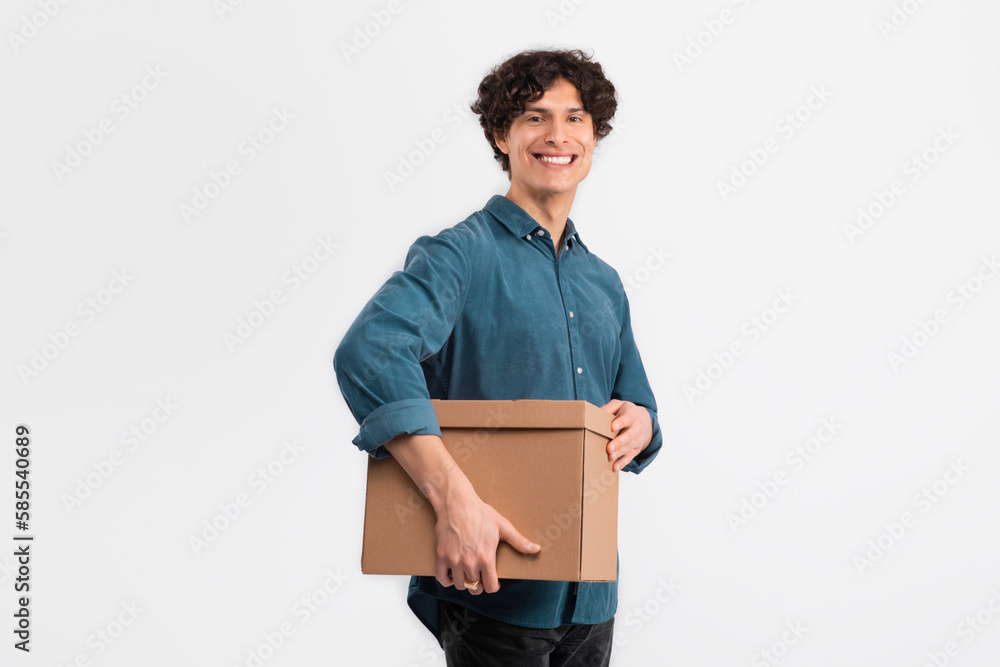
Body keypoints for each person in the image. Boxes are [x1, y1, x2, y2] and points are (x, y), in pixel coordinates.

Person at [334, 48, 662, 666]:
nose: (557, 135)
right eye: (535, 117)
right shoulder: (459, 255)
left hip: (592, 593)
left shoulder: (605, 282)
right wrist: (453, 499)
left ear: (594, 136)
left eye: (575, 118)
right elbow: (371, 352)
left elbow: (634, 401)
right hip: (491, 590)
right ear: (500, 134)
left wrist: (641, 422)